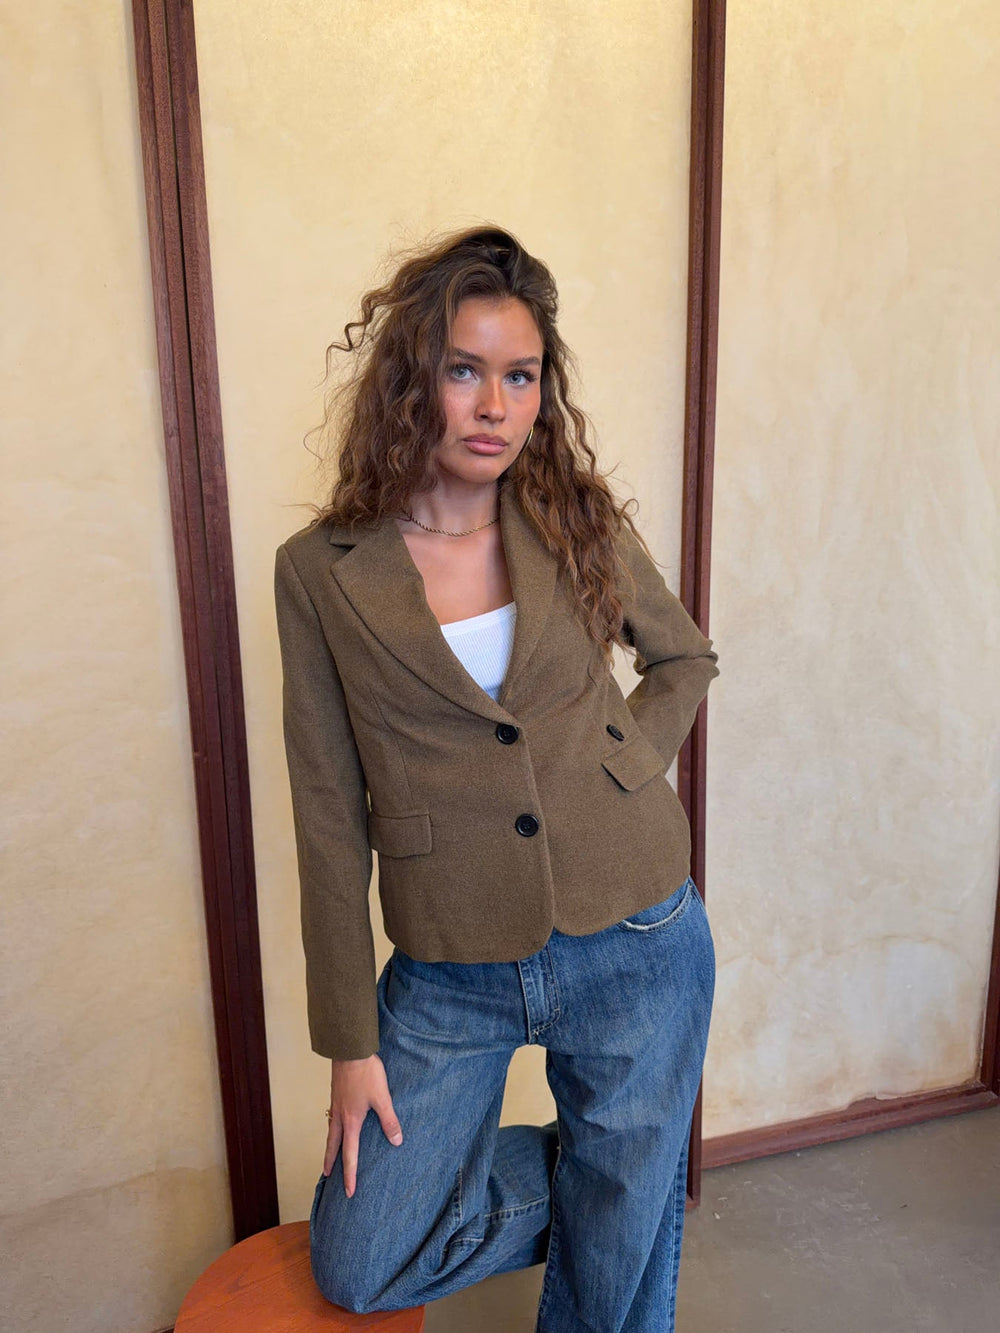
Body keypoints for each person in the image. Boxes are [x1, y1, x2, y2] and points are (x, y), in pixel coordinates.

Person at [274, 225, 720, 1333]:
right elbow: (327, 813)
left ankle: (625, 1175)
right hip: (451, 957)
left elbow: (682, 658)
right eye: (464, 371)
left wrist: (624, 765)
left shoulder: (574, 520)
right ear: (410, 381)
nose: (494, 406)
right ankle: (612, 1170)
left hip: (635, 928)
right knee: (365, 1257)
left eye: (519, 377)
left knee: (614, 1282)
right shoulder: (321, 572)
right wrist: (349, 1042)